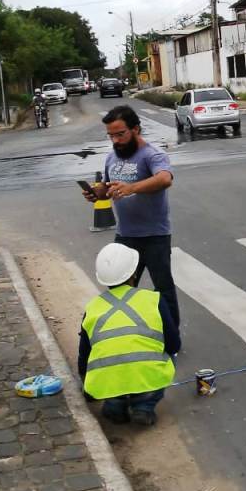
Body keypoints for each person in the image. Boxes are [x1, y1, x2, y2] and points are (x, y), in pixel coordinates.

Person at [81, 105, 180, 329]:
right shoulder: (111, 158)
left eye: (120, 134)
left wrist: (132, 188)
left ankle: (171, 336)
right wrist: (97, 193)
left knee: (163, 288)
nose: (115, 140)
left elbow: (165, 179)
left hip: (155, 236)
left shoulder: (153, 155)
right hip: (125, 237)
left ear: (135, 129)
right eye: (111, 135)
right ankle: (123, 333)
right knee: (119, 291)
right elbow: (108, 187)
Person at [79, 243, 180, 426]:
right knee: (169, 356)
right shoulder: (153, 300)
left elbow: (84, 355)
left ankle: (114, 405)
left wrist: (87, 388)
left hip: (108, 382)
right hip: (147, 377)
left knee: (111, 372)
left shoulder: (92, 308)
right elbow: (174, 345)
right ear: (134, 273)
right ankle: (144, 405)